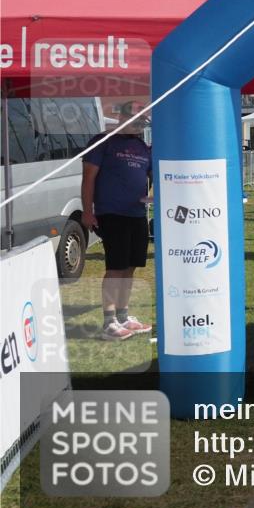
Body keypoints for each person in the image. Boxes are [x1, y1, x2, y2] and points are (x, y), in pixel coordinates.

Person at [81, 100, 153, 342]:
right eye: (138, 119)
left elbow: (152, 175)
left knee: (131, 267)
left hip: (137, 214)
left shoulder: (143, 146)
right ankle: (109, 322)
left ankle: (123, 316)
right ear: (123, 118)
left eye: (144, 120)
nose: (142, 124)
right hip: (112, 213)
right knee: (115, 268)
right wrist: (87, 211)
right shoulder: (103, 141)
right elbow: (88, 178)